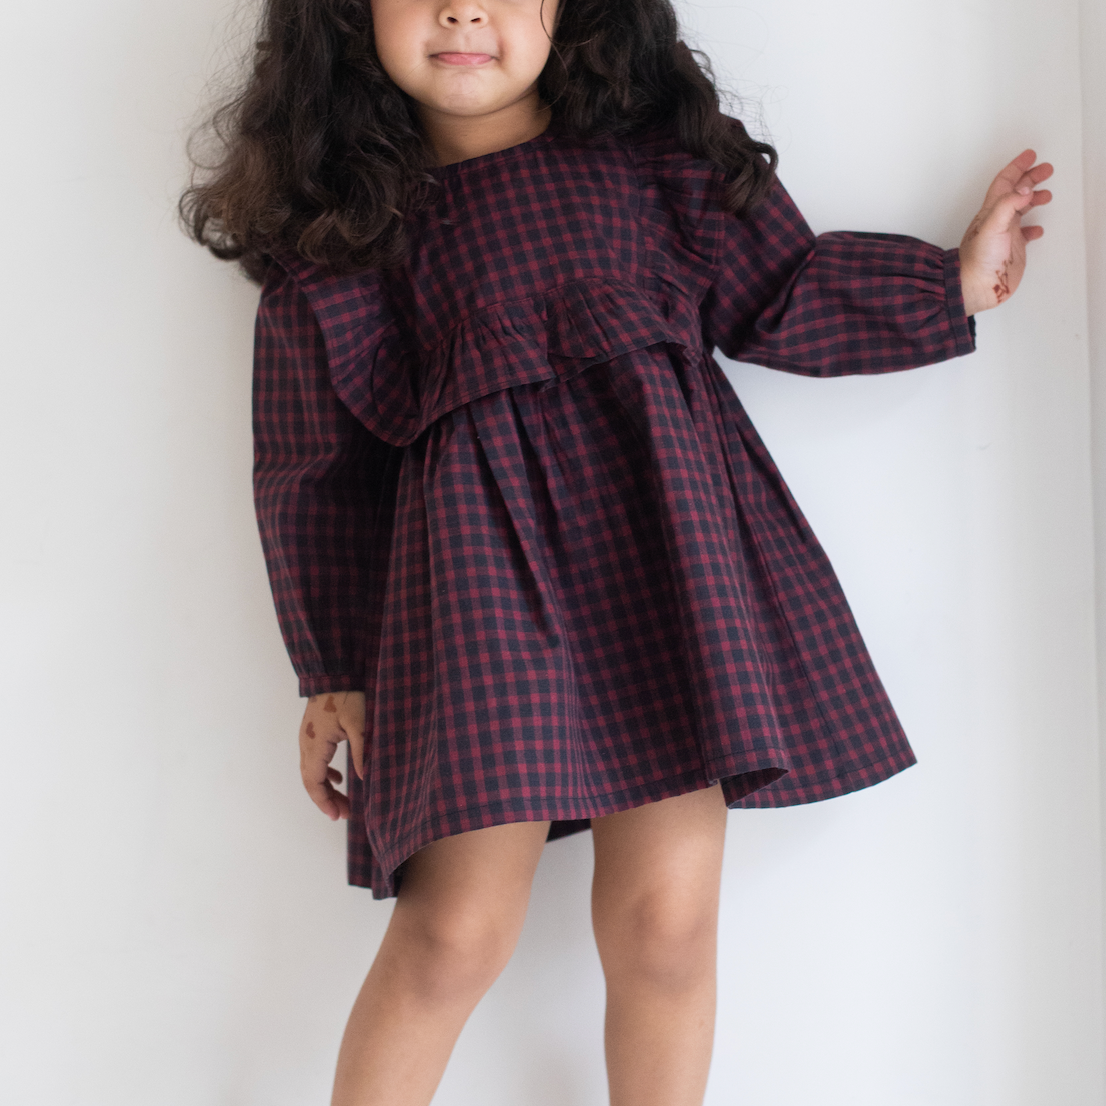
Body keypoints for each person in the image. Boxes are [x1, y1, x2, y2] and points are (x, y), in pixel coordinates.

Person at [182, 0, 1053, 1102]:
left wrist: (950, 282)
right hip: (479, 601)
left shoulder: (652, 161)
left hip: (665, 570)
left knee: (667, 925)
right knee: (454, 930)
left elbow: (781, 290)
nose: (462, 9)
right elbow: (311, 470)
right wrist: (331, 668)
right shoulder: (344, 237)